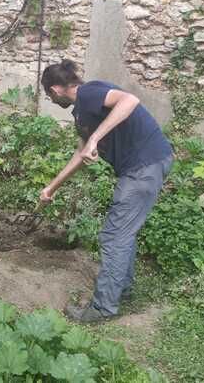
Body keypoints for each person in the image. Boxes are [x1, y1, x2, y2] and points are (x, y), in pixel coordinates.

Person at [39, 59, 173, 322]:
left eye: (49, 96)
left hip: (144, 165)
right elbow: (81, 152)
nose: (51, 101)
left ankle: (102, 308)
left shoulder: (89, 92)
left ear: (55, 90)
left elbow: (129, 101)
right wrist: (51, 188)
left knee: (114, 235)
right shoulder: (82, 112)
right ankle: (121, 289)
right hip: (142, 166)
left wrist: (97, 139)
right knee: (123, 231)